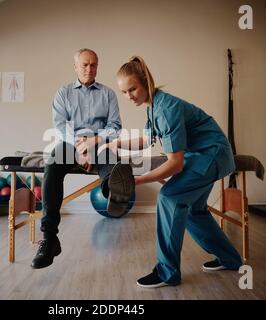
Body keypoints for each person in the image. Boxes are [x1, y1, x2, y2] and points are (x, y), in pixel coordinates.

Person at [100, 56, 242, 288]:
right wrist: (116, 144)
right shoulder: (153, 106)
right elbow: (147, 140)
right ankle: (229, 259)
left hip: (211, 155)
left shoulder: (166, 109)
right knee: (194, 210)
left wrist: (136, 181)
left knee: (169, 197)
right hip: (206, 156)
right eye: (124, 92)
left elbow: (175, 164)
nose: (129, 97)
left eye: (132, 89)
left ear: (146, 81)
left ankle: (167, 272)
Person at [31, 49, 135, 269]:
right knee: (52, 163)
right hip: (71, 145)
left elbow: (114, 128)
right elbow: (60, 126)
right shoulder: (63, 93)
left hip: (100, 143)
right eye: (85, 65)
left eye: (94, 65)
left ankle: (112, 192)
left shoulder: (108, 94)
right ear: (76, 66)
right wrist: (80, 148)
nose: (90, 69)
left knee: (114, 162)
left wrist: (93, 142)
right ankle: (49, 239)